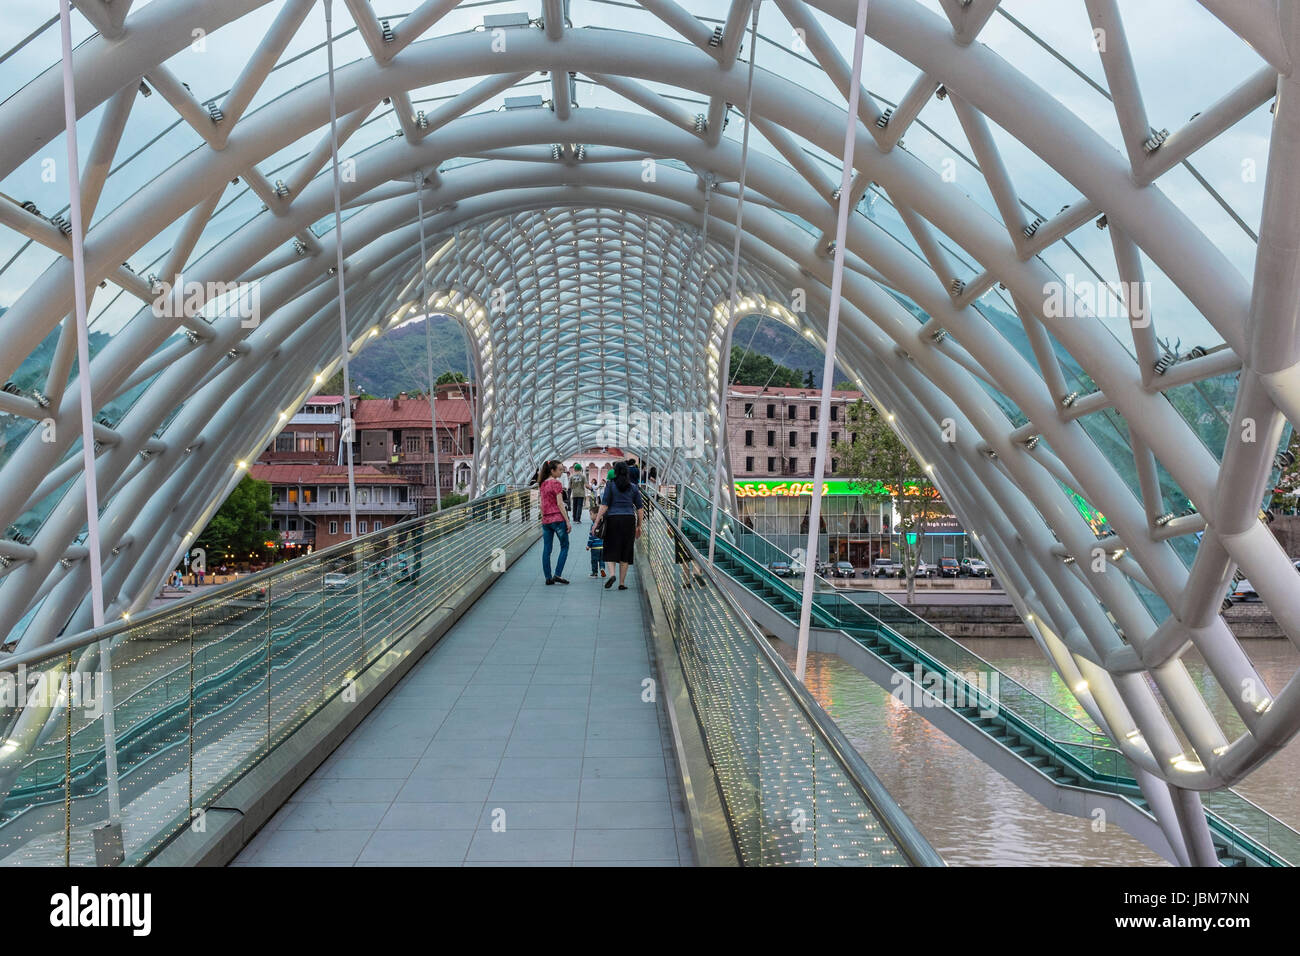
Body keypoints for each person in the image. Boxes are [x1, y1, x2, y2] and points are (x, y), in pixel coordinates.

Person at [594, 461, 644, 591]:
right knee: (626, 550)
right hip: (629, 520)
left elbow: (604, 505)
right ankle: (622, 583)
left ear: (615, 472)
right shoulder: (633, 487)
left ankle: (612, 574)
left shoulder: (610, 485)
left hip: (613, 519)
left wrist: (596, 522)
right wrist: (639, 526)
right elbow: (640, 509)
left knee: (611, 547)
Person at [538, 459, 570, 585]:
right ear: (552, 470)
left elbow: (541, 505)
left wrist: (543, 516)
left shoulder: (542, 484)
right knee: (565, 546)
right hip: (557, 519)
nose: (561, 472)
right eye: (560, 470)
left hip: (546, 520)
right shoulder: (556, 484)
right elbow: (560, 504)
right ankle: (557, 574)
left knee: (547, 549)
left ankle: (548, 577)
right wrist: (567, 520)